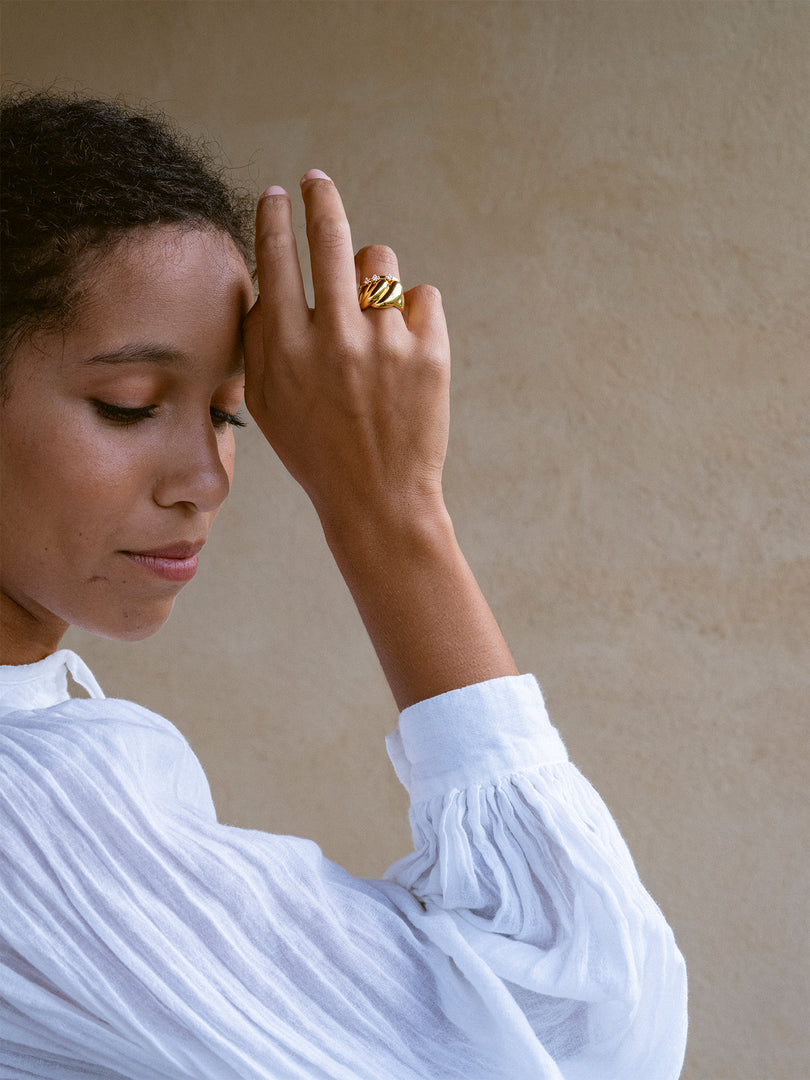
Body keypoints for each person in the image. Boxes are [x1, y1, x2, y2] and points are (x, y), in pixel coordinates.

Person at [0, 90, 687, 1079]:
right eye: (129, 404)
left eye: (231, 416)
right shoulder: (34, 815)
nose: (207, 477)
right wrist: (392, 510)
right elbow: (589, 1035)